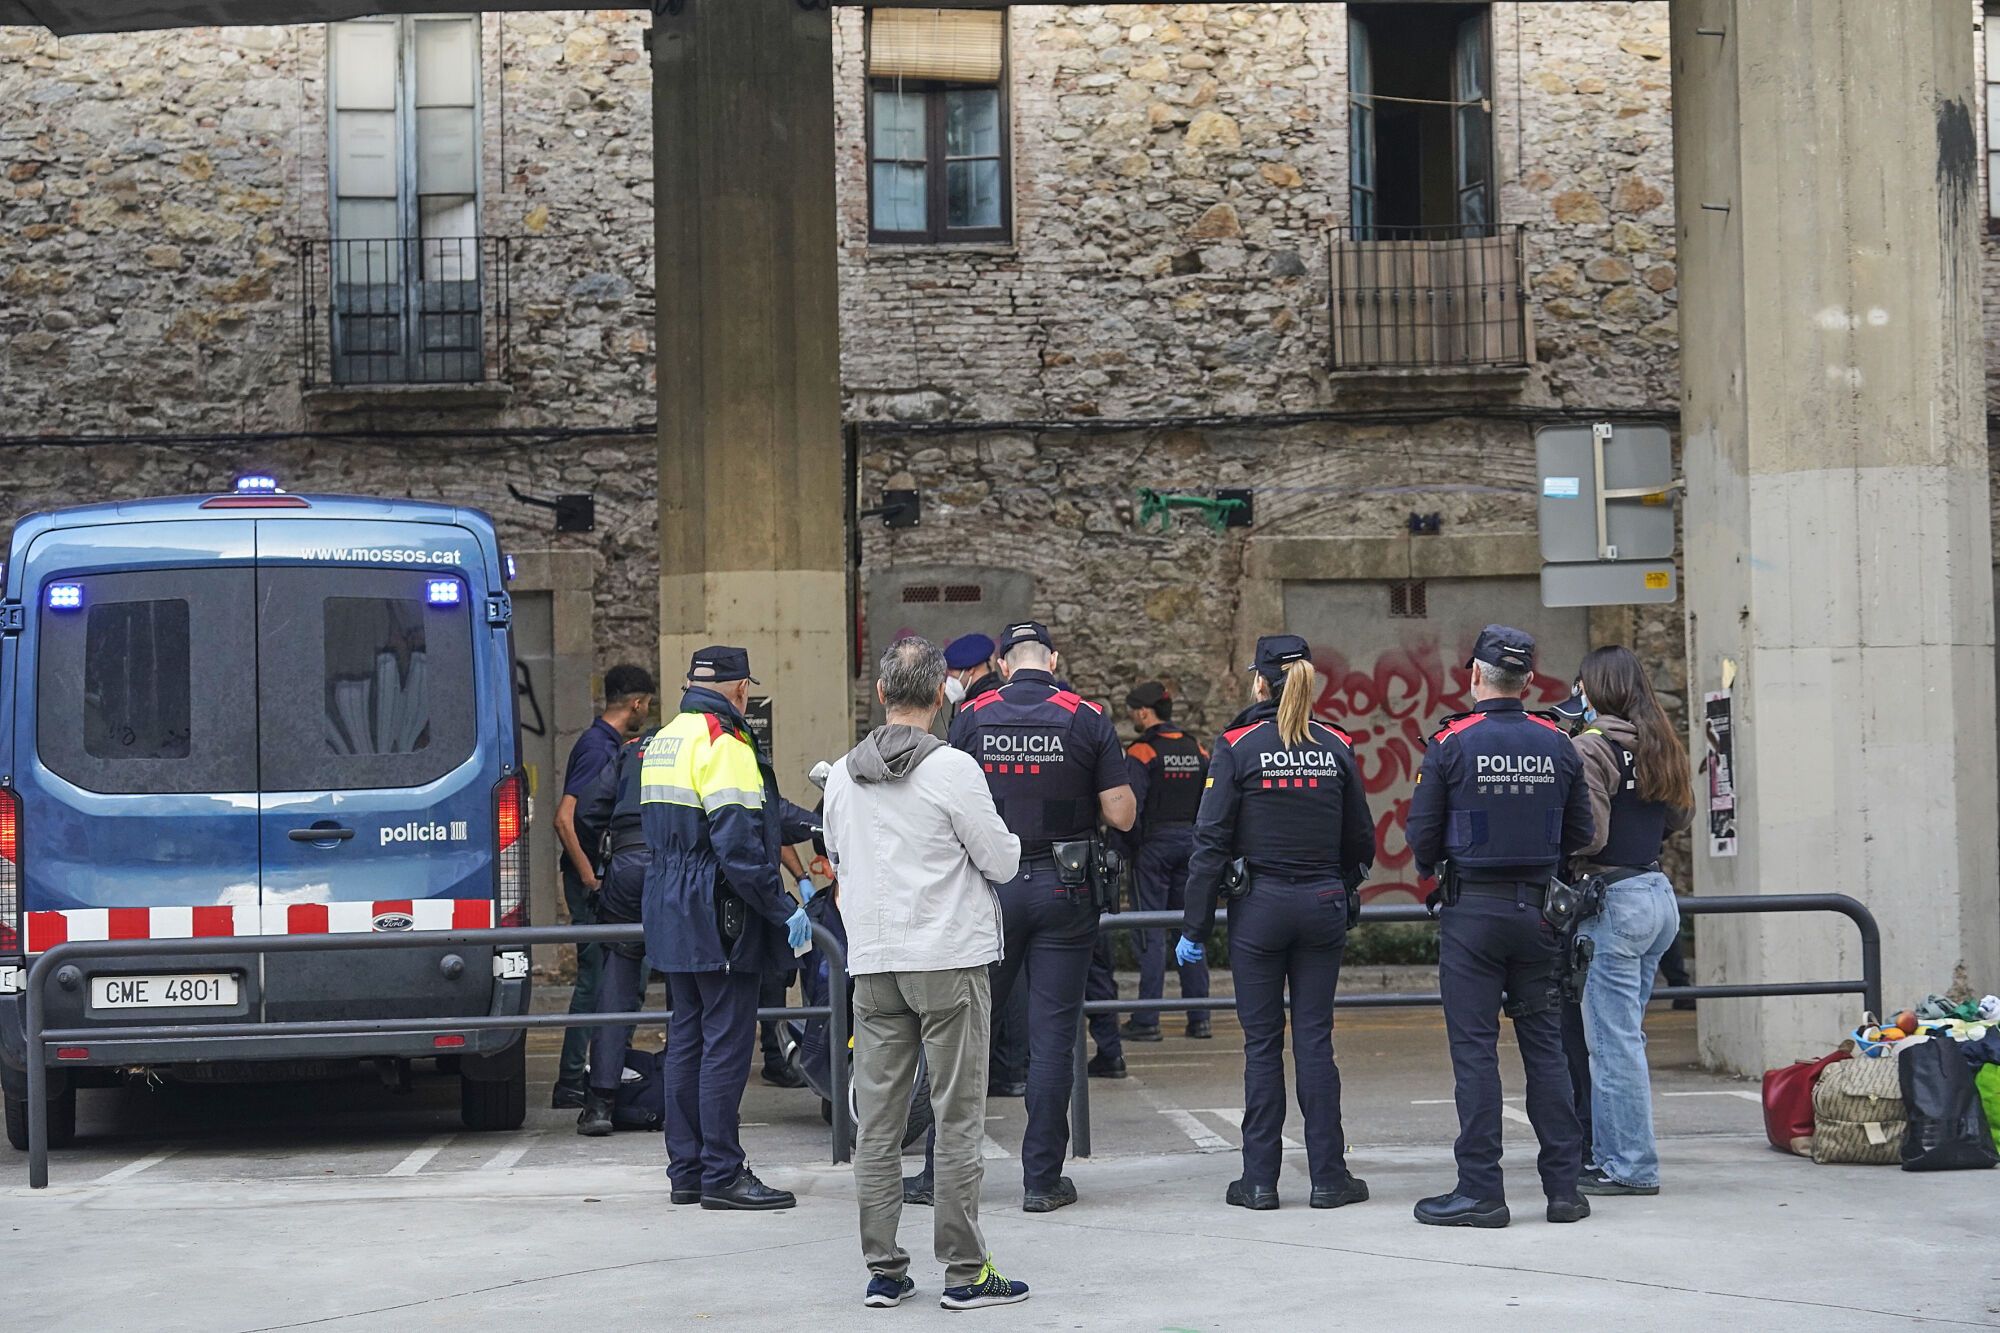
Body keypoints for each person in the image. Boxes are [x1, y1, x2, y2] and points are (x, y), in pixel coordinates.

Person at [824, 636, 1030, 1311]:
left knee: (877, 1122)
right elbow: (1000, 861)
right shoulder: (953, 770)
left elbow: (838, 865)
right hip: (948, 957)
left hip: (875, 961)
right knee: (958, 1113)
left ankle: (884, 1268)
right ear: (943, 694)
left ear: (881, 694)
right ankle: (966, 1270)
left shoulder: (843, 778)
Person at [1405, 625, 1595, 1230]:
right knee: (1546, 1050)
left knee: (1476, 1055)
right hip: (1541, 913)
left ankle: (1482, 1191)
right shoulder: (1558, 743)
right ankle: (1564, 1190)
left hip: (1473, 916)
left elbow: (1422, 839)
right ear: (1530, 681)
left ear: (1475, 676)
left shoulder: (1452, 743)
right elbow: (1583, 834)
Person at [1177, 636, 1375, 1211]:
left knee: (1262, 1046)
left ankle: (1259, 1180)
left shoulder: (1238, 745)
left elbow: (1210, 841)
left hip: (1259, 909)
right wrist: (1341, 885)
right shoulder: (1337, 744)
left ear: (1259, 682)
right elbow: (1360, 837)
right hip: (1321, 904)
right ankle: (1329, 1178)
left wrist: (1194, 925)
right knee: (1315, 1041)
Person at [949, 621, 1135, 1212]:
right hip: (1065, 887)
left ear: (1003, 664)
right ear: (1053, 659)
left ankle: (941, 1173)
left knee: (967, 1030)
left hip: (991, 889)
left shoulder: (974, 716)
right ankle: (1042, 1180)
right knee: (1053, 1036)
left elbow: (947, 804)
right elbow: (1122, 814)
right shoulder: (1086, 716)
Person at [641, 647, 813, 1211]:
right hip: (720, 914)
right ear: (741, 688)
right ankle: (723, 1173)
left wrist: (817, 817)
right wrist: (783, 908)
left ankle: (687, 1171)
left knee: (686, 1039)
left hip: (671, 906)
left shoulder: (667, 737)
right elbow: (739, 846)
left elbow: (756, 812)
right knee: (727, 1045)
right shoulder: (726, 741)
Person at [1567, 646, 1695, 1198]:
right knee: (1626, 1038)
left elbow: (1589, 835)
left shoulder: (1591, 748)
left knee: (1613, 1044)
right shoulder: (1658, 743)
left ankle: (1629, 1165)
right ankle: (1613, 1155)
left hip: (1613, 903)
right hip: (1656, 895)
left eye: (1581, 686)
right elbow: (1679, 816)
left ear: (1595, 690)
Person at [551, 663, 655, 1109]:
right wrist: (590, 875)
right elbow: (565, 817)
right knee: (598, 981)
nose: (646, 713)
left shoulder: (606, 744)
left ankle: (590, 1073)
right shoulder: (600, 749)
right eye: (646, 705)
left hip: (599, 876)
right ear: (635, 703)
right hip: (593, 880)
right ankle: (577, 1078)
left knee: (604, 979)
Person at [945, 632, 1027, 1099]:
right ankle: (1016, 1066)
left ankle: (1002, 1067)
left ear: (968, 672)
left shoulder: (973, 714)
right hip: (1021, 850)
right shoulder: (1009, 704)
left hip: (987, 849)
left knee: (997, 970)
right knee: (1020, 974)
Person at [571, 723, 656, 1137]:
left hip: (624, 868)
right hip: (676, 872)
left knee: (617, 980)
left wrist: (605, 854)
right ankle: (680, 1093)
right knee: (689, 981)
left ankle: (600, 1103)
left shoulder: (631, 750)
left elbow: (586, 810)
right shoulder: (702, 746)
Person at [1120, 680, 1213, 1043]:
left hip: (1154, 848)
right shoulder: (1197, 748)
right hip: (1192, 845)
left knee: (1151, 933)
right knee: (1189, 930)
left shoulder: (1142, 752)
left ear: (1144, 712)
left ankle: (1147, 1020)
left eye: (1132, 711)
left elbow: (1132, 808)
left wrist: (1129, 848)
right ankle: (1200, 1018)